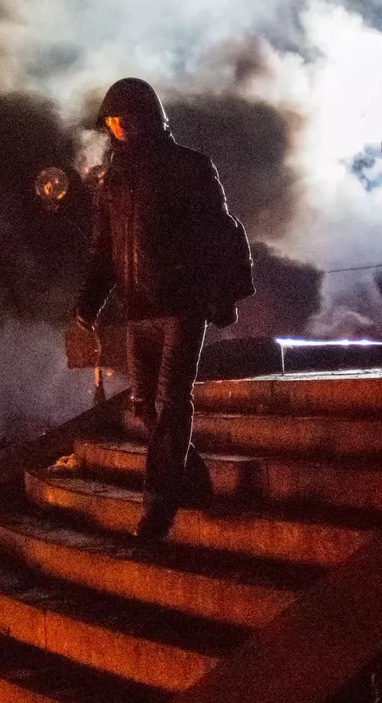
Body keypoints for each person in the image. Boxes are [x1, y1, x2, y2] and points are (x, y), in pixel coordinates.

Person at [76, 77, 254, 541]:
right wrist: (86, 307)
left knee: (172, 403)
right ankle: (192, 482)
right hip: (138, 310)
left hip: (181, 305)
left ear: (148, 117)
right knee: (145, 408)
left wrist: (223, 295)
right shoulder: (112, 179)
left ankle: (157, 508)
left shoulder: (189, 167)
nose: (117, 126)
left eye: (125, 118)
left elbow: (218, 233)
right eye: (112, 120)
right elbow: (103, 251)